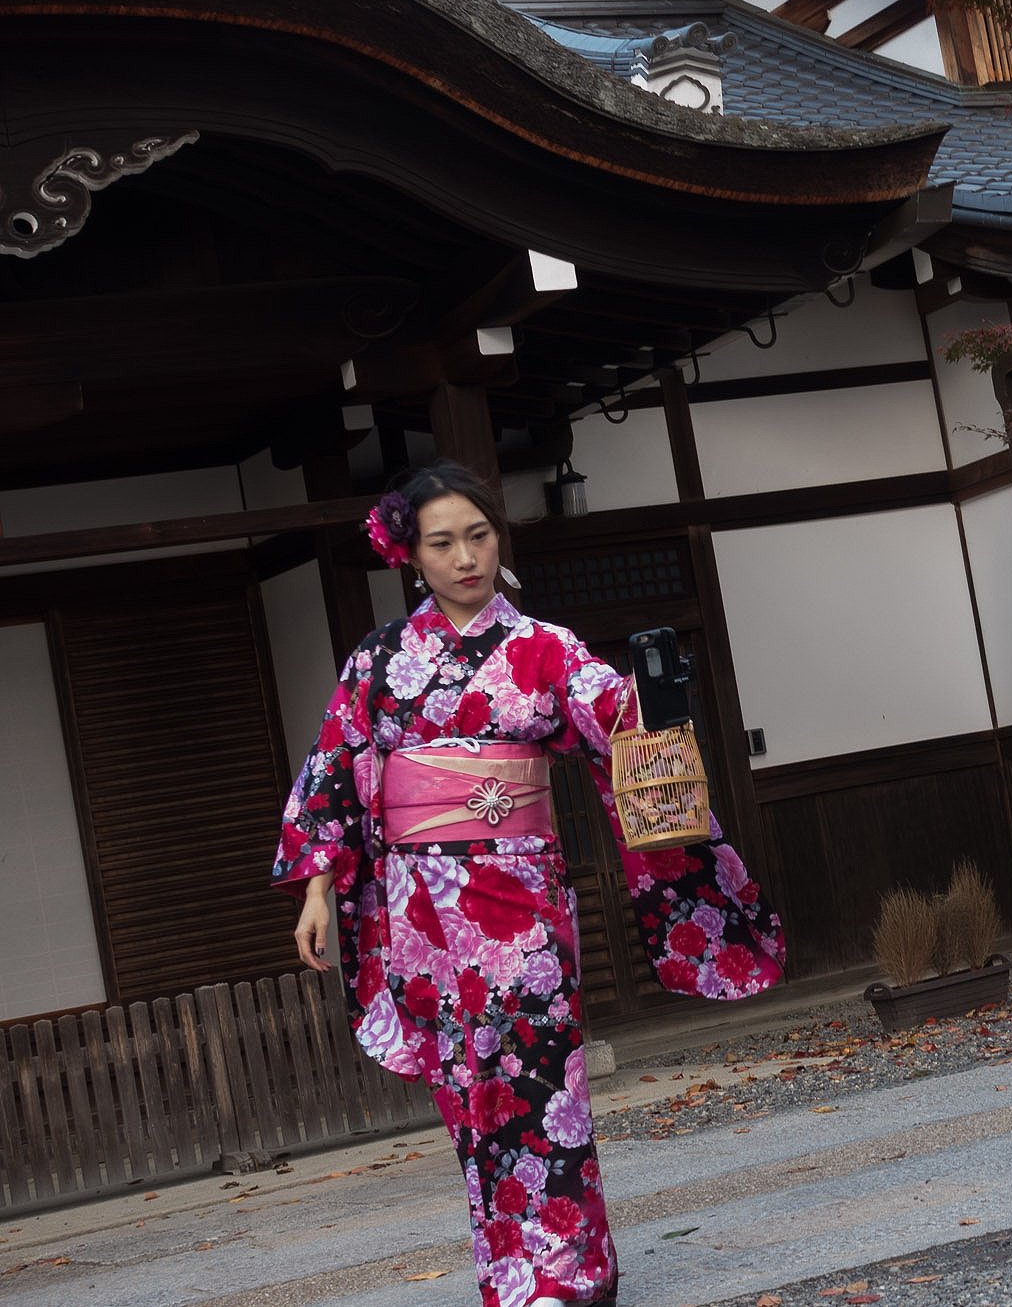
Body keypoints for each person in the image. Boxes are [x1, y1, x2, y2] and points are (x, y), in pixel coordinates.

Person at [271, 459, 785, 1306]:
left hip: (519, 902)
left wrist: (648, 694)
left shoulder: (542, 648)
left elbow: (609, 713)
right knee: (470, 1094)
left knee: (547, 1081)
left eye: (479, 535)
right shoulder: (381, 658)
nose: (466, 556)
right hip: (422, 909)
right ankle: (511, 1273)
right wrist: (321, 886)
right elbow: (336, 764)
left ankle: (572, 1273)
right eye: (443, 542)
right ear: (411, 555)